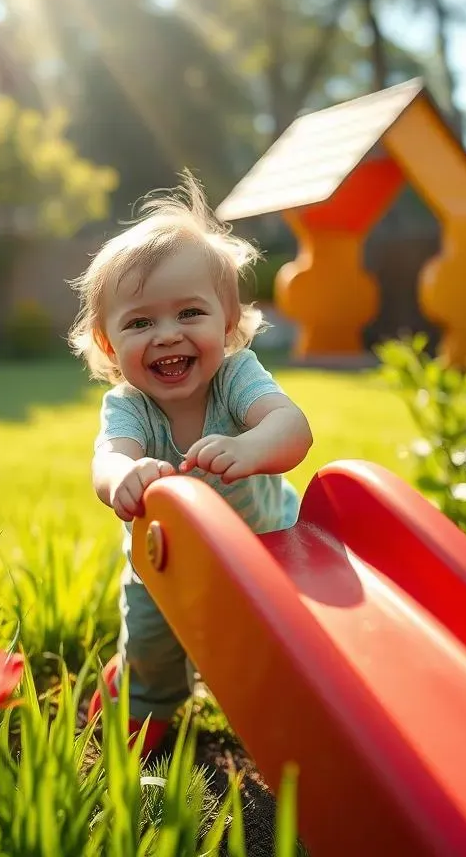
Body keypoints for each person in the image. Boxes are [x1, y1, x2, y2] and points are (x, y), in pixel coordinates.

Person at [67, 172, 314, 756]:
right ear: (108, 345)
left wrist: (252, 449)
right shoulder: (130, 407)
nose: (167, 334)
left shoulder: (236, 377)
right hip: (165, 565)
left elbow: (292, 428)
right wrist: (122, 478)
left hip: (266, 553)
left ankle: (282, 715)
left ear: (227, 325)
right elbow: (109, 458)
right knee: (152, 646)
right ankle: (142, 700)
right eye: (140, 322)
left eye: (190, 313)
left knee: (271, 650)